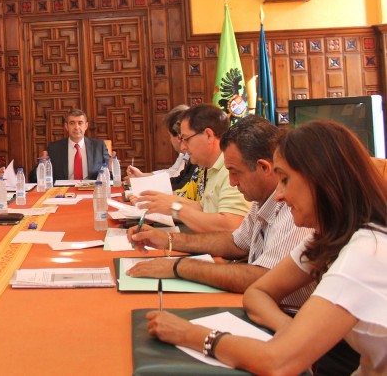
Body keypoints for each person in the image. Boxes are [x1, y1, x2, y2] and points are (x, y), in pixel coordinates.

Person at [144, 120, 385, 375]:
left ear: (322, 181)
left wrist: (191, 334)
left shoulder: (365, 253)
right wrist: (290, 332)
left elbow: (277, 362)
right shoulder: (327, 236)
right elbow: (257, 291)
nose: (279, 194)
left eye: (286, 180)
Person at [126, 115, 314, 307]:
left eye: (235, 172)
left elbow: (265, 278)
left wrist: (178, 266)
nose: (232, 181)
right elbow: (236, 242)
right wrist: (168, 240)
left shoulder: (296, 208)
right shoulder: (261, 198)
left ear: (264, 168)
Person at [132, 104, 250, 232]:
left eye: (186, 139)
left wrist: (174, 207)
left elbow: (231, 226)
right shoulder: (212, 167)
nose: (183, 147)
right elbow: (203, 208)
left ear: (209, 135)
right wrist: (161, 201)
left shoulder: (231, 169)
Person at [29, 109, 110, 182]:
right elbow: (33, 179)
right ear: (66, 126)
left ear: (86, 126)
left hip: (91, 191)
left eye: (80, 123)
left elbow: (110, 175)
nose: (76, 127)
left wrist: (113, 166)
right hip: (63, 193)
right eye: (72, 123)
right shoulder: (54, 148)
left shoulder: (99, 146)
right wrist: (41, 166)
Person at [127, 104, 196, 190]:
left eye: (185, 138)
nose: (182, 147)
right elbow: (177, 178)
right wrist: (142, 178)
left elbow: (181, 187)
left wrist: (141, 183)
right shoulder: (188, 156)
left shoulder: (197, 158)